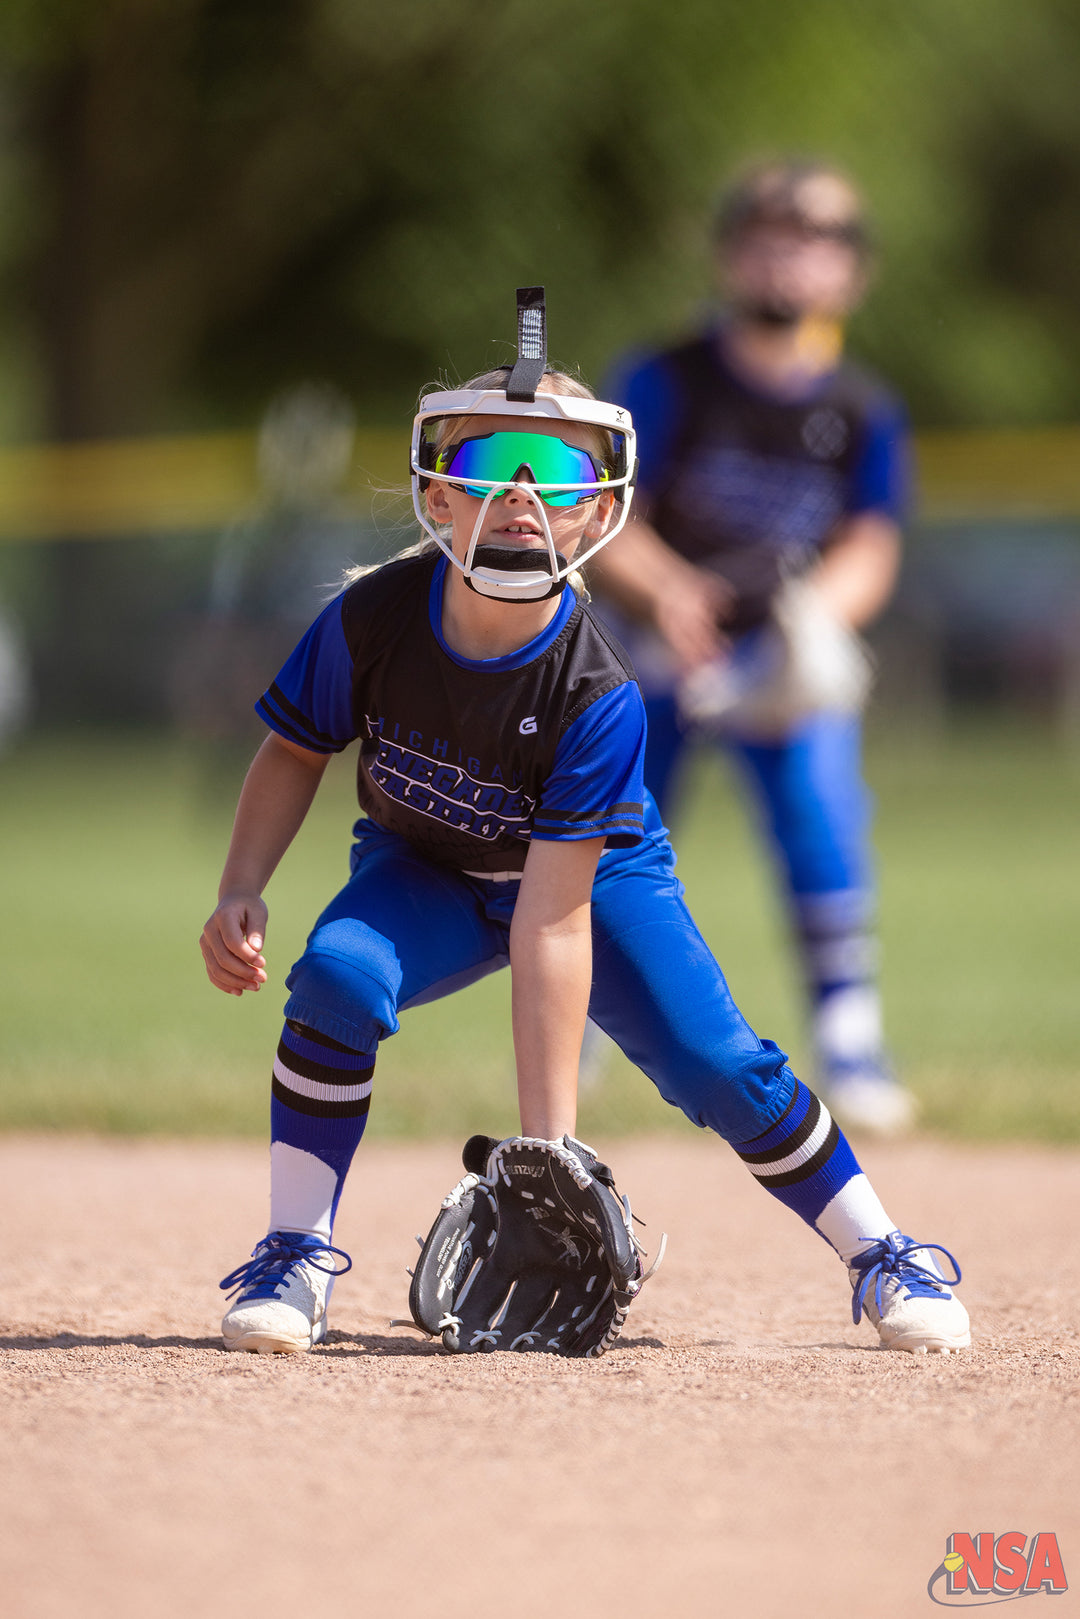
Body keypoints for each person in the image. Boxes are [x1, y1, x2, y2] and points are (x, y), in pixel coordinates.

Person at [199, 292, 968, 1359]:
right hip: (425, 866)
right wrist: (243, 883)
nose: (519, 492)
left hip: (592, 883)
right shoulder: (371, 617)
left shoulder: (596, 689)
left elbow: (551, 925)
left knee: (719, 1063)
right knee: (336, 971)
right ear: (435, 489)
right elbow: (294, 746)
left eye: (554, 472)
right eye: (490, 463)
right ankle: (293, 1252)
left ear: (594, 507)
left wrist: (546, 1151)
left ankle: (886, 1248)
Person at [592, 160, 914, 1136]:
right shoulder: (668, 375)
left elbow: (871, 540)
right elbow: (607, 508)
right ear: (732, 255)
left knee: (821, 813)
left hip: (773, 656)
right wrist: (667, 590)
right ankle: (588, 1020)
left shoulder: (860, 407)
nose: (791, 258)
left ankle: (850, 1034)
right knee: (606, 828)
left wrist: (816, 618)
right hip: (653, 645)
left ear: (852, 272)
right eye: (770, 236)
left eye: (818, 240)